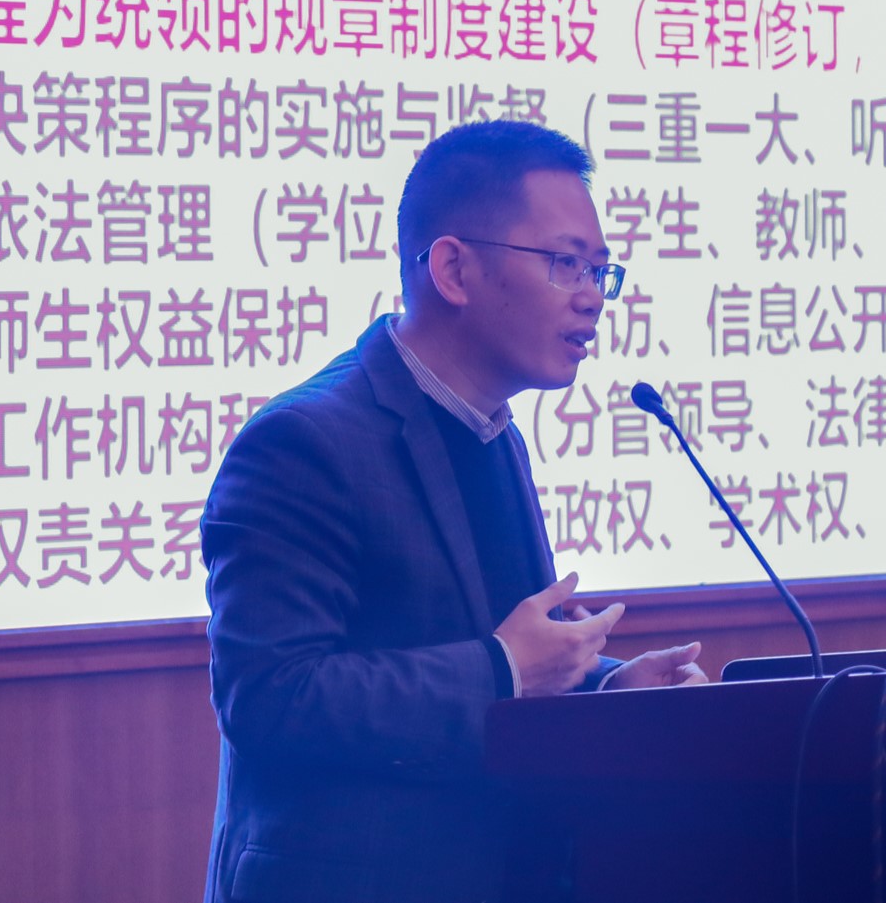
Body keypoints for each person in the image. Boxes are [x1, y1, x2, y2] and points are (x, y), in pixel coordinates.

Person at [200, 120, 707, 903]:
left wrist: (606, 690)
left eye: (601, 270)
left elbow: (500, 657)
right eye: (565, 262)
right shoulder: (303, 442)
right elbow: (271, 698)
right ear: (453, 268)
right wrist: (505, 668)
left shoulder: (494, 432)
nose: (591, 296)